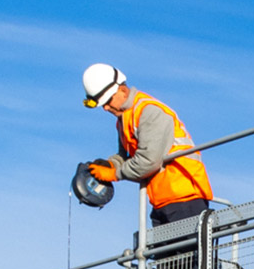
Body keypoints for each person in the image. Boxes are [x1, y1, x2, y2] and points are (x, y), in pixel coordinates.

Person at [81, 64, 214, 227]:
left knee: (185, 252)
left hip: (185, 197)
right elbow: (125, 156)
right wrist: (110, 164)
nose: (106, 108)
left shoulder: (148, 112)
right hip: (162, 200)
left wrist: (114, 173)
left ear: (122, 90)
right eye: (102, 105)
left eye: (108, 101)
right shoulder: (124, 120)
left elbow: (148, 161)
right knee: (166, 252)